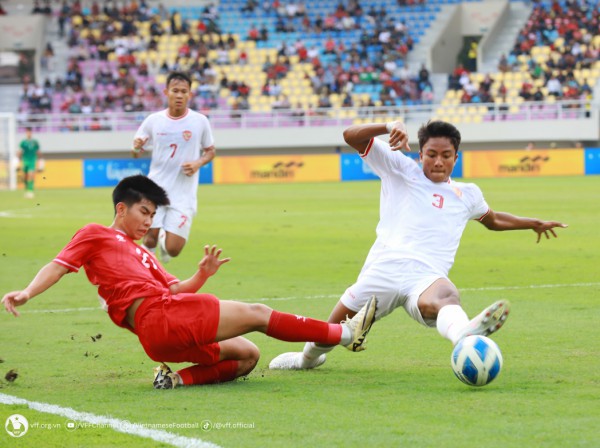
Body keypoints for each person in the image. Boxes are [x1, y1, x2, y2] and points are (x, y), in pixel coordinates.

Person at [1, 175, 377, 389]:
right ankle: (345, 334)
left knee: (248, 356)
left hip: (161, 329)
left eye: (153, 215)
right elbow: (59, 264)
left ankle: (175, 380)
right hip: (158, 317)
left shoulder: (145, 254)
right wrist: (28, 291)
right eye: (144, 212)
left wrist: (202, 274)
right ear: (121, 208)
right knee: (258, 313)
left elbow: (177, 289)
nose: (149, 222)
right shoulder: (96, 233)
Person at [269, 120, 567, 371]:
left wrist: (533, 223)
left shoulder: (468, 194)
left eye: (447, 155)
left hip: (426, 277)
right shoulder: (400, 168)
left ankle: (463, 335)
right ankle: (306, 360)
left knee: (447, 295)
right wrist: (389, 125)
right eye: (432, 154)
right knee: (330, 334)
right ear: (420, 154)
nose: (439, 161)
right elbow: (350, 136)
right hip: (382, 272)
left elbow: (493, 219)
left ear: (456, 156)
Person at [132, 71, 215, 263]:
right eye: (175, 90)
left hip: (183, 195)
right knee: (149, 238)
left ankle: (164, 239)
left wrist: (198, 163)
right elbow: (136, 153)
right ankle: (147, 281)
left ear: (189, 94)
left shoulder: (200, 121)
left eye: (183, 91)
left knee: (173, 249)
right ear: (166, 92)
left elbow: (210, 151)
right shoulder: (153, 121)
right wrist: (136, 148)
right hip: (155, 190)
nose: (179, 95)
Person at [18, 127, 43, 199]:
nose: (29, 133)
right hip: (25, 161)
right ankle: (26, 190)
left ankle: (30, 191)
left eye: (30, 132)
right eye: (27, 132)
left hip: (32, 161)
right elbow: (20, 152)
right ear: (26, 133)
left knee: (31, 175)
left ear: (31, 133)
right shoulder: (23, 142)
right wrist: (17, 161)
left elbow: (38, 152)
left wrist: (41, 162)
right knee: (25, 177)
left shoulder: (35, 142)